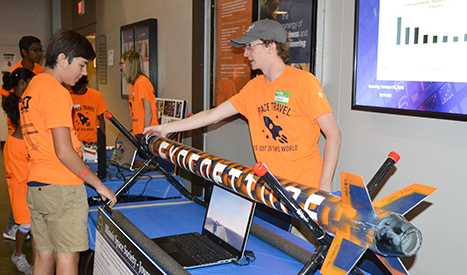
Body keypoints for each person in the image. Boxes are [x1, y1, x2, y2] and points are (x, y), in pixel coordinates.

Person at [145, 19, 341, 193]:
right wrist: (166, 128)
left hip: (304, 188)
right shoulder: (253, 87)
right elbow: (213, 115)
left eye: (250, 46)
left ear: (271, 46)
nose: (246, 53)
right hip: (269, 187)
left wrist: (325, 185)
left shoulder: (303, 82)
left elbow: (333, 134)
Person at [20, 29, 117, 275]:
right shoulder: (57, 92)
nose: (83, 72)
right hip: (62, 187)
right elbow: (64, 151)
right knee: (67, 261)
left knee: (43, 255)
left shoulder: (33, 87)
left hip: (37, 186)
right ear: (62, 59)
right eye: (82, 65)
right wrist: (98, 184)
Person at [2, 35, 45, 241]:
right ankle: (15, 225)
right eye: (35, 50)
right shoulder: (15, 74)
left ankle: (23, 224)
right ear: (24, 52)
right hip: (19, 133)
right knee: (21, 184)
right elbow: (8, 102)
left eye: (40, 50)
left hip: (33, 132)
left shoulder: (42, 73)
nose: (39, 53)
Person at [2, 68, 36, 275]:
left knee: (32, 224)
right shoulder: (13, 145)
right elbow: (24, 174)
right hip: (21, 190)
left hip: (30, 188)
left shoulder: (26, 139)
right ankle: (18, 254)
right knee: (25, 223)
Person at [120, 50, 159, 135]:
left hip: (148, 134)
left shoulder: (142, 82)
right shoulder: (133, 84)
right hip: (139, 133)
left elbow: (148, 113)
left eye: (122, 63)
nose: (121, 68)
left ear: (130, 64)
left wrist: (145, 136)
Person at [70, 75, 107, 145]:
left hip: (93, 142)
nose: (76, 92)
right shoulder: (69, 96)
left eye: (78, 89)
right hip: (76, 141)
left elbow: (101, 121)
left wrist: (102, 142)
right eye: (74, 89)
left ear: (84, 86)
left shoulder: (96, 96)